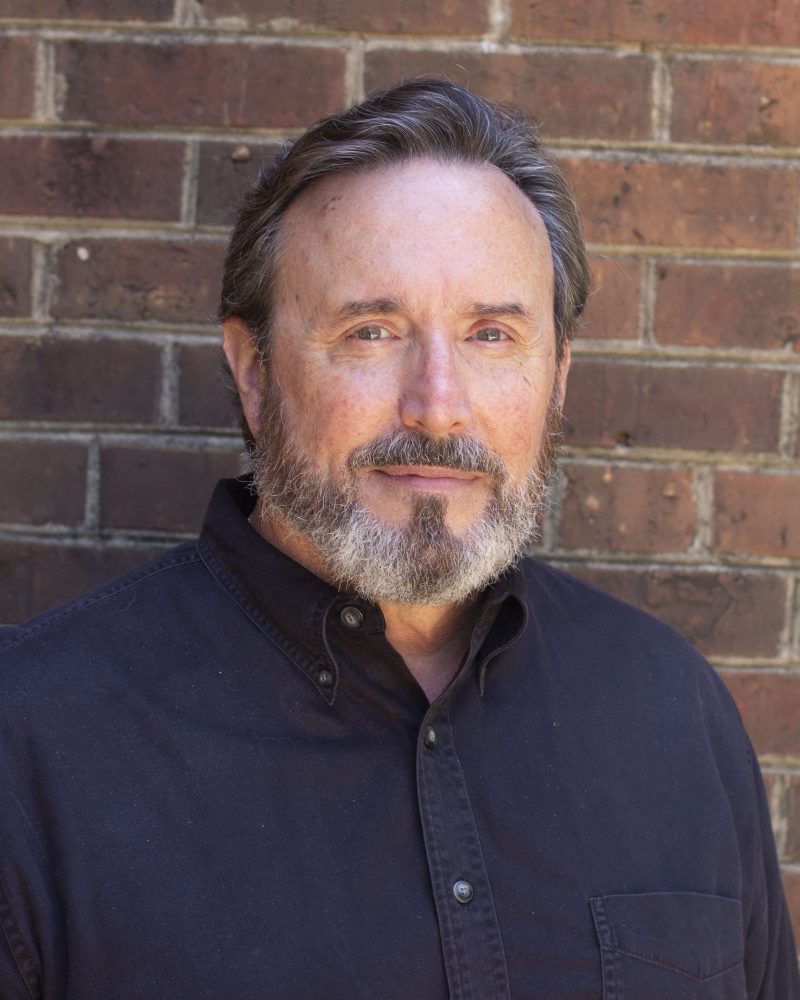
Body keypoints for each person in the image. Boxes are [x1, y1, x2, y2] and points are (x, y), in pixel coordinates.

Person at [0, 79, 796, 1000]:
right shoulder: (33, 745)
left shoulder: (673, 712)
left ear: (557, 379)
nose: (438, 406)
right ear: (254, 373)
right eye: (372, 331)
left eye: (491, 334)